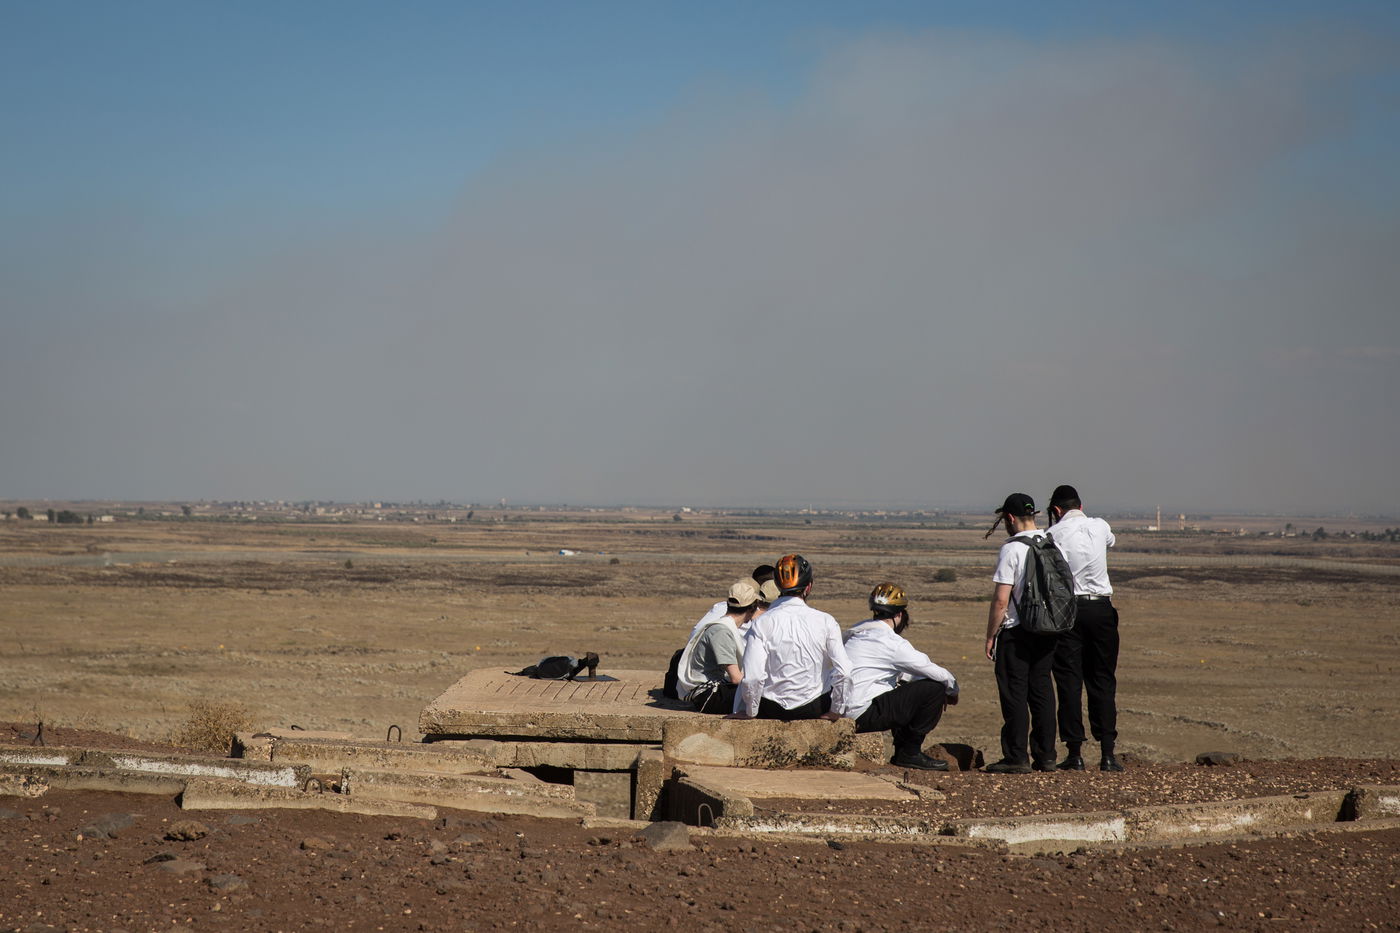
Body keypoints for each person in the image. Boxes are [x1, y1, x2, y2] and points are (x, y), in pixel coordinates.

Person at [1046, 484, 1123, 772]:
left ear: (1056, 510)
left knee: (1068, 681)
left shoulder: (1053, 534)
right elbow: (1110, 541)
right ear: (1081, 505)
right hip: (1101, 609)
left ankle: (1075, 752)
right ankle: (1107, 753)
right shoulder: (1100, 526)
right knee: (1102, 680)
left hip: (1069, 612)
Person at [842, 583, 959, 770]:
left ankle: (903, 752)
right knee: (934, 688)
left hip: (836, 707)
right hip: (861, 714)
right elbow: (936, 673)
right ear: (899, 615)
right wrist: (952, 691)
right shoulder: (892, 643)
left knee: (903, 683)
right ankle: (909, 753)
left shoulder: (855, 632)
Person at [983, 493, 1058, 774]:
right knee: (1042, 691)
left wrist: (991, 635)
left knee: (1014, 693)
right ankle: (1046, 755)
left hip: (1017, 631)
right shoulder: (1051, 541)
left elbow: (1001, 600)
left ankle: (1016, 756)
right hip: (1048, 629)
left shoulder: (1012, 549)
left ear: (1010, 518)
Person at [729, 554, 851, 721]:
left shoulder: (762, 623)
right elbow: (844, 671)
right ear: (809, 587)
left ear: (778, 586)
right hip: (814, 706)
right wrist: (836, 709)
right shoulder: (826, 621)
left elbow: (754, 676)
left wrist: (750, 711)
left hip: (771, 707)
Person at [681, 579, 763, 713]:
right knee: (767, 699)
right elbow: (736, 678)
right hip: (708, 696)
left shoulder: (724, 626)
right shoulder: (721, 631)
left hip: (711, 692)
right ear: (752, 608)